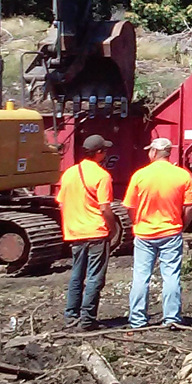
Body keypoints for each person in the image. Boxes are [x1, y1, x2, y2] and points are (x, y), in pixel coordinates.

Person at [124, 137, 192, 328]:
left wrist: (137, 222)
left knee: (141, 277)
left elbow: (129, 206)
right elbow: (191, 206)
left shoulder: (140, 175)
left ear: (154, 152)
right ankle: (172, 318)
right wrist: (183, 225)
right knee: (171, 276)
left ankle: (137, 319)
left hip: (144, 233)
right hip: (171, 232)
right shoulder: (182, 175)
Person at [56, 134, 118, 331]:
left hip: (75, 232)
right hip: (96, 232)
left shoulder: (69, 173)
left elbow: (62, 202)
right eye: (105, 150)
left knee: (76, 274)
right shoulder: (102, 176)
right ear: (99, 153)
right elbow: (105, 208)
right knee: (94, 277)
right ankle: (87, 319)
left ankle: (71, 316)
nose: (106, 153)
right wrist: (113, 228)